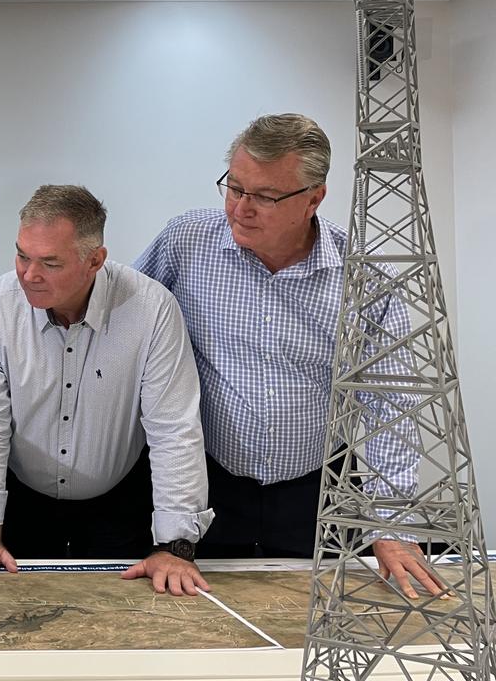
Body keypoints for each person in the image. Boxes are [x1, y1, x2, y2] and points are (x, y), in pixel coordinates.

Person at [134, 112, 441, 598]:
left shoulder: (363, 275)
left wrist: (392, 524)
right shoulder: (186, 242)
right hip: (207, 481)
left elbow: (390, 403)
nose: (240, 208)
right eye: (234, 188)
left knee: (316, 620)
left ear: (314, 198)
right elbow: (126, 329)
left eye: (265, 196)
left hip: (319, 490)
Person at [0, 185, 213, 595]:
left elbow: (174, 428)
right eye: (22, 255)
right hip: (24, 501)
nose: (29, 275)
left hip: (121, 500)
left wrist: (174, 546)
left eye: (49, 262)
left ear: (95, 260)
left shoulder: (151, 309)